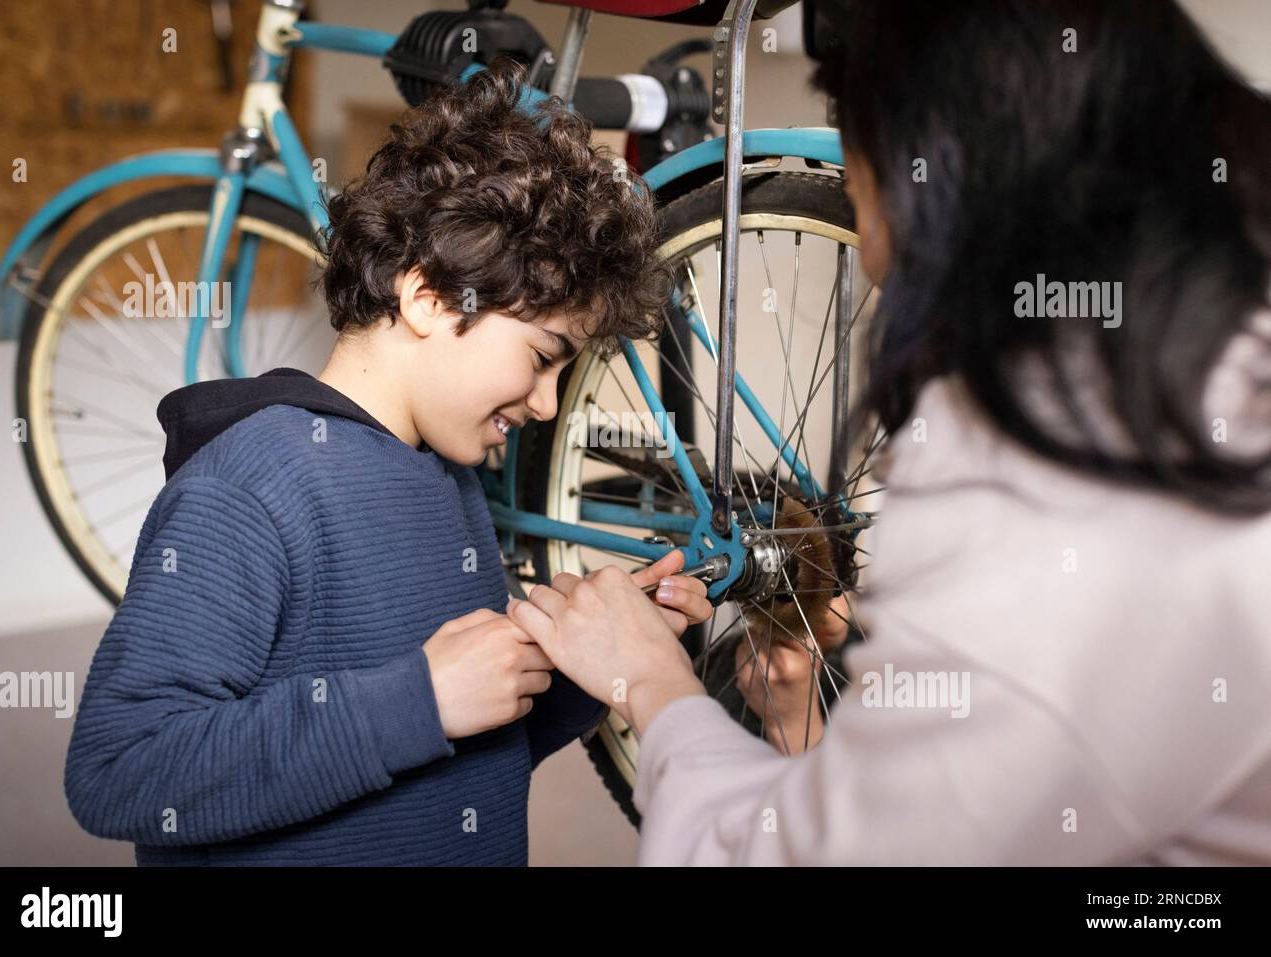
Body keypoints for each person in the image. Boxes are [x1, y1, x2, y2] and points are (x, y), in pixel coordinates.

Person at [509, 0, 1271, 865]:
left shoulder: (1052, 503)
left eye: (851, 133)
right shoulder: (1201, 363)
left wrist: (652, 681)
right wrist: (802, 726)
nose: (868, 247)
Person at [63, 58, 711, 866]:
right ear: (430, 296)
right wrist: (422, 699)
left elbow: (457, 765)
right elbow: (119, 769)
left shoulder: (447, 482)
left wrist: (582, 671)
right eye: (543, 357)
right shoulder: (248, 488)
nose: (546, 404)